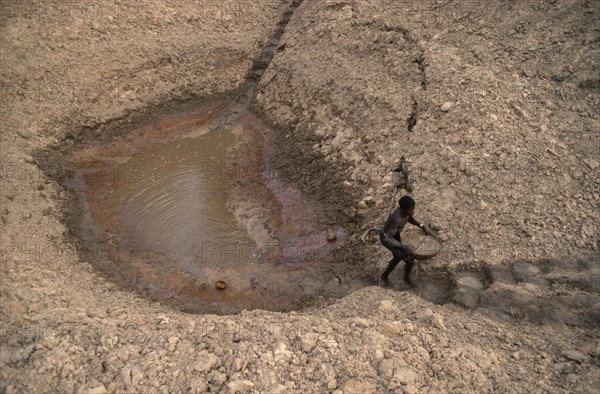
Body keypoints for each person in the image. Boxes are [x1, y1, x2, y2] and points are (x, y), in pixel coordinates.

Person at [380, 195, 432, 287]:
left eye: (413, 209)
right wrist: (404, 247)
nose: (412, 212)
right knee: (409, 259)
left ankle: (385, 276)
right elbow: (388, 239)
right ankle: (405, 278)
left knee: (398, 257)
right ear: (403, 209)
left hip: (394, 236)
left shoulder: (406, 214)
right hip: (387, 238)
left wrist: (422, 226)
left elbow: (410, 219)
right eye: (410, 210)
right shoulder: (397, 219)